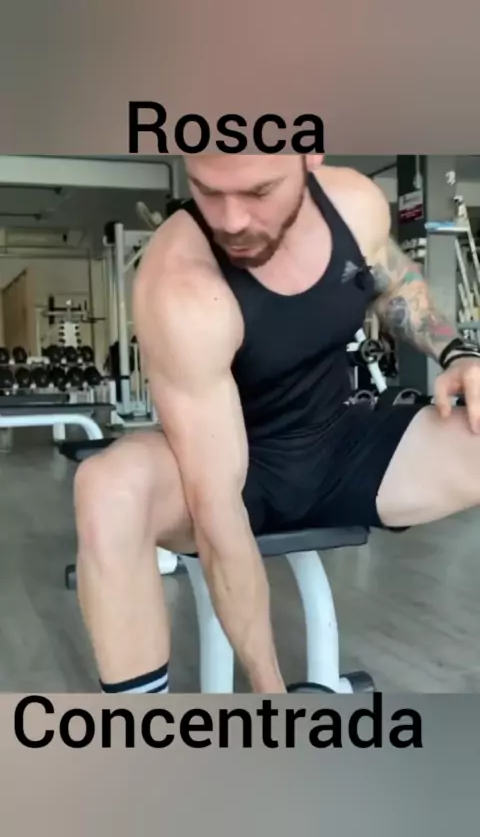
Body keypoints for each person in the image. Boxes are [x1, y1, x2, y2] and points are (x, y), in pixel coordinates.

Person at [74, 154, 480, 696]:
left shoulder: (352, 204)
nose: (232, 220)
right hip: (230, 470)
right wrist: (272, 692)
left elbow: (394, 279)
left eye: (259, 192)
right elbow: (218, 509)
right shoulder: (182, 285)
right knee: (109, 489)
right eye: (207, 190)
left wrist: (457, 353)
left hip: (341, 443)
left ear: (310, 155)